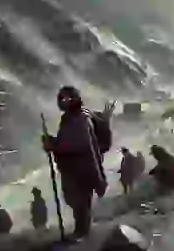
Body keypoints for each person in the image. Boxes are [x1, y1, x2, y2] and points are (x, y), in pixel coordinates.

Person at [41, 85, 110, 239]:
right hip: (77, 168)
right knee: (77, 201)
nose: (63, 102)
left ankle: (82, 233)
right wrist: (52, 142)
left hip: (82, 168)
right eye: (61, 98)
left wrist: (54, 145)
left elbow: (79, 143)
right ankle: (82, 231)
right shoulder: (70, 118)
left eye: (66, 98)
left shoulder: (80, 118)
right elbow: (67, 140)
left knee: (80, 202)